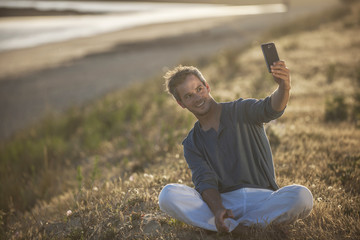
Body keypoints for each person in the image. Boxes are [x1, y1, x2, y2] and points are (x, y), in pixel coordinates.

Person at [158, 60, 313, 234]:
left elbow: (271, 108)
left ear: (207, 87)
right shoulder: (191, 143)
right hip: (225, 203)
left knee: (302, 196)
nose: (197, 98)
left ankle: (236, 227)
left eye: (199, 89)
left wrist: (284, 87)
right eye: (188, 96)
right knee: (168, 195)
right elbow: (205, 181)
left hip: (263, 198)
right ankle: (236, 223)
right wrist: (218, 209)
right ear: (181, 104)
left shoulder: (241, 109)